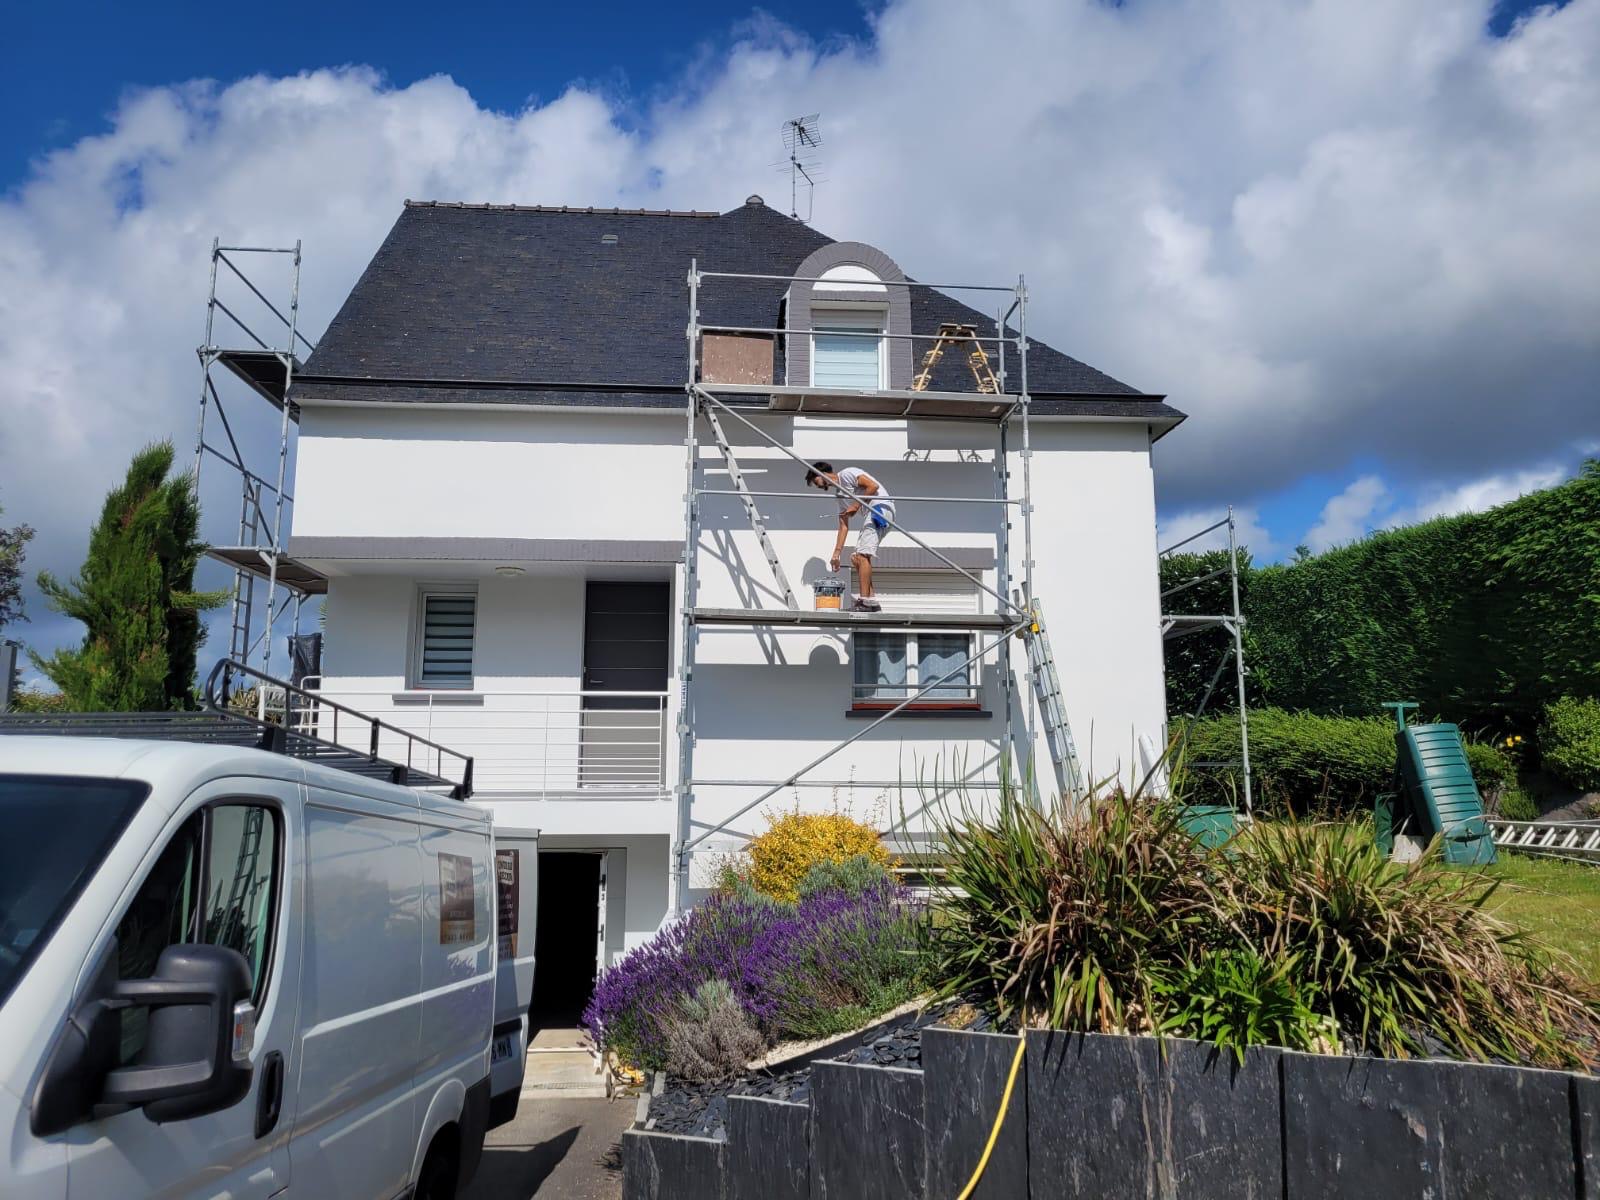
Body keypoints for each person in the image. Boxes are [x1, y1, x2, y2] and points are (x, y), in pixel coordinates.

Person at [804, 461, 895, 611]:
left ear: (821, 473)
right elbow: (843, 525)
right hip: (873, 512)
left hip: (880, 508)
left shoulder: (847, 474)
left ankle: (865, 602)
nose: (817, 486)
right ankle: (872, 602)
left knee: (862, 555)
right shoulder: (840, 496)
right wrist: (836, 554)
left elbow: (873, 486)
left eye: (815, 481)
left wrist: (856, 505)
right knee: (855, 558)